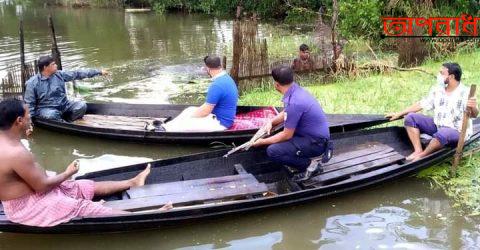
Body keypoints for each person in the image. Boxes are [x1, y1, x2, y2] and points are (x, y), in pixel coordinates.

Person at [0, 98, 172, 227]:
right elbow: (42, 187)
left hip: (27, 194)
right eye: (28, 115)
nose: (31, 118)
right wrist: (67, 173)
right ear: (19, 121)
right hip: (26, 207)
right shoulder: (16, 153)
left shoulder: (8, 140)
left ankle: (132, 182)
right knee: (80, 206)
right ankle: (146, 216)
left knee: (80, 186)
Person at [386, 62, 478, 162]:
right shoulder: (437, 90)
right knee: (410, 118)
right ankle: (418, 150)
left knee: (442, 134)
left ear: (451, 76)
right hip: (438, 126)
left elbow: (474, 114)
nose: (439, 75)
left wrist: (473, 107)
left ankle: (423, 155)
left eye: (442, 73)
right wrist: (399, 113)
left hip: (457, 131)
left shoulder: (466, 92)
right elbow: (421, 104)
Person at [252, 66, 331, 181]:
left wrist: (261, 142)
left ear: (276, 84)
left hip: (316, 143)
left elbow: (286, 135)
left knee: (272, 151)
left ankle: (311, 165)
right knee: (276, 139)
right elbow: (287, 112)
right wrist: (271, 122)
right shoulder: (295, 90)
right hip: (311, 136)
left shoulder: (295, 102)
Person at [162, 55, 239, 132]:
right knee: (189, 110)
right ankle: (167, 126)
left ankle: (166, 129)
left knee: (182, 124)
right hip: (222, 117)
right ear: (220, 65)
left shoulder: (217, 85)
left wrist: (189, 118)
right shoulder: (226, 77)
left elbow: (205, 111)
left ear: (207, 68)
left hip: (220, 123)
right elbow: (207, 107)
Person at [24, 55, 108, 122]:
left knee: (82, 106)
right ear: (45, 67)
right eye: (53, 64)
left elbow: (77, 73)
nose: (56, 65)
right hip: (46, 109)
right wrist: (29, 123)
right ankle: (62, 123)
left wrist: (99, 72)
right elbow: (29, 105)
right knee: (52, 115)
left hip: (64, 105)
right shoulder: (32, 83)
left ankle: (69, 121)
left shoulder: (59, 74)